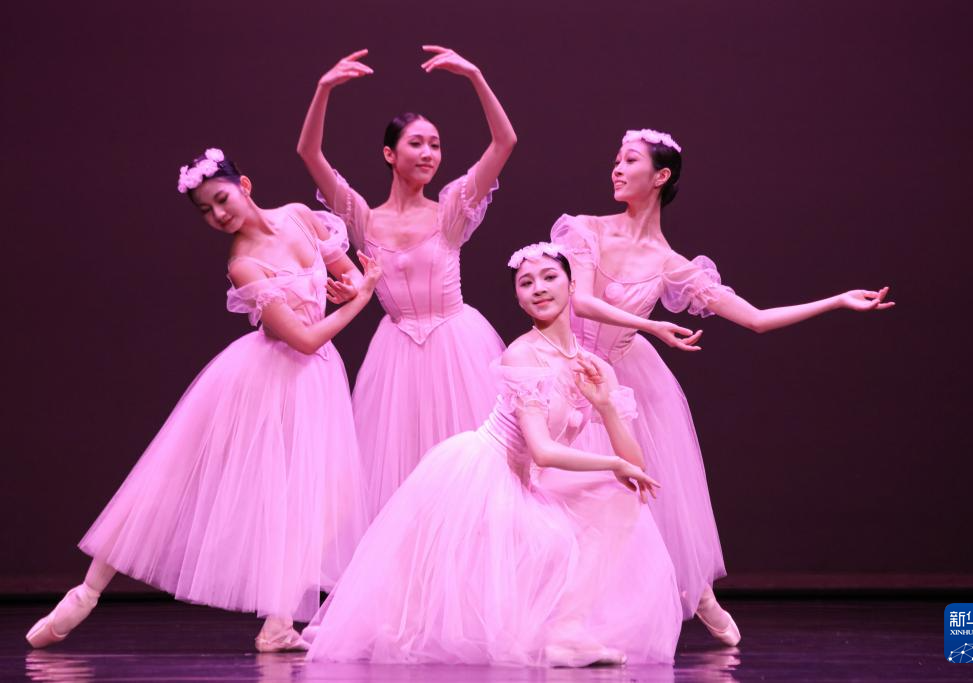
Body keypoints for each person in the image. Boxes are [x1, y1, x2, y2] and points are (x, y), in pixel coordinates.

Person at [26, 149, 380, 652]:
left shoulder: (300, 216)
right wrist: (361, 299)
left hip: (315, 382)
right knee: (170, 477)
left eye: (221, 200)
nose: (218, 214)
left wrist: (352, 284)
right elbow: (304, 339)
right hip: (267, 376)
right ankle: (86, 592)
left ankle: (279, 621)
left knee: (320, 498)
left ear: (245, 186)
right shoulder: (244, 264)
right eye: (206, 210)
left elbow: (346, 274)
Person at [551, 128, 894, 645]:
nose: (616, 168)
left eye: (630, 160)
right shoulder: (586, 230)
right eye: (616, 159)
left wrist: (835, 301)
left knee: (640, 494)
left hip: (624, 380)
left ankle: (696, 591)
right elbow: (580, 302)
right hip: (568, 369)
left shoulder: (673, 266)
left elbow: (755, 319)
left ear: (660, 177)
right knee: (559, 493)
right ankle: (563, 616)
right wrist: (652, 326)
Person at [305, 243, 682, 667]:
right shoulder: (523, 354)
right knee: (409, 604)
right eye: (526, 283)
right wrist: (612, 463)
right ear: (518, 298)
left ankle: (566, 631)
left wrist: (607, 407)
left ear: (572, 285)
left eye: (550, 277)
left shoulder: (596, 367)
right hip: (491, 472)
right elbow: (542, 450)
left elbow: (635, 467)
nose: (539, 288)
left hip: (531, 479)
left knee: (624, 496)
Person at [298, 46, 514, 517]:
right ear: (389, 154)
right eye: (417, 143)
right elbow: (309, 153)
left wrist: (475, 74)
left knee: (471, 468)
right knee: (399, 469)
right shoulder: (363, 218)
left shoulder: (451, 211)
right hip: (396, 354)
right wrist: (323, 88)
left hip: (456, 345)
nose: (429, 153)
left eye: (435, 144)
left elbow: (504, 142)